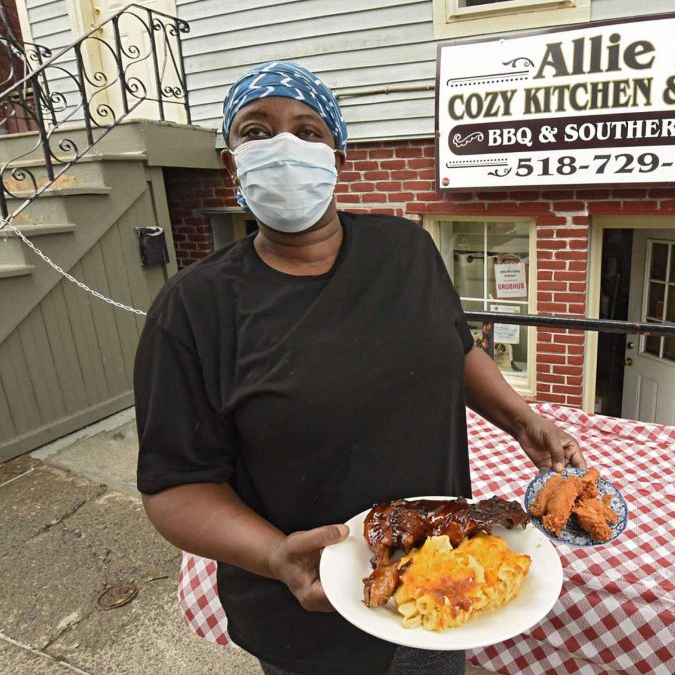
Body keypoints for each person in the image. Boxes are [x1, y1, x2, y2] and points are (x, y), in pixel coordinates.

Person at [133, 61, 585, 675]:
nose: (285, 147)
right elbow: (175, 487)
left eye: (309, 131)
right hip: (308, 609)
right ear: (230, 163)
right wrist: (273, 557)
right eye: (256, 131)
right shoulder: (194, 309)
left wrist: (520, 418)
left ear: (339, 159)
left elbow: (453, 348)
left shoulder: (408, 250)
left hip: (440, 570)